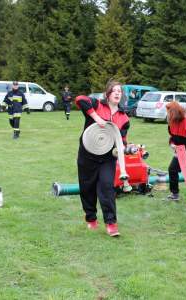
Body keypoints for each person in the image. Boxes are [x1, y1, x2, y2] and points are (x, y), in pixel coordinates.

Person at [75, 80, 130, 237]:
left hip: (107, 159)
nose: (118, 93)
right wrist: (96, 117)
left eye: (120, 91)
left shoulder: (124, 118)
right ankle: (91, 218)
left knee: (106, 187)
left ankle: (111, 223)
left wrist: (124, 148)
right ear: (108, 94)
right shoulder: (97, 105)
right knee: (87, 188)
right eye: (115, 91)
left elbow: (122, 140)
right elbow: (79, 99)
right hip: (87, 155)